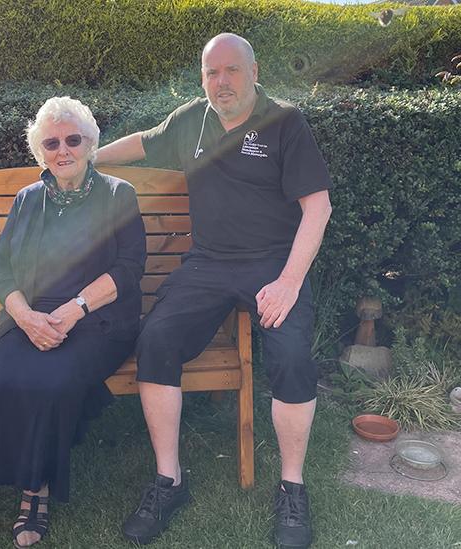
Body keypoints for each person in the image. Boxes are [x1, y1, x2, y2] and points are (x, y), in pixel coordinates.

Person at [96, 33, 333, 548]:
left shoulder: (285, 122)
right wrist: (85, 159)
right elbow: (143, 141)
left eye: (230, 70)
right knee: (156, 340)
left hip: (271, 265)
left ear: (253, 71)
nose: (220, 81)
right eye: (211, 72)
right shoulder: (191, 119)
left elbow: (318, 207)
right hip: (207, 264)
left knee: (291, 354)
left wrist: (290, 282)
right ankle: (169, 481)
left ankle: (292, 487)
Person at [0, 96, 147, 548]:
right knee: (5, 383)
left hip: (97, 319)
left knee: (51, 381)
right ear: (40, 151)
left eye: (72, 139)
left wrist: (72, 310)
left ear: (90, 143)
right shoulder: (28, 200)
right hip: (29, 317)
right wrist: (26, 317)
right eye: (51, 143)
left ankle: (34, 491)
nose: (62, 150)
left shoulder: (117, 195)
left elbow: (129, 269)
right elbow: (0, 271)